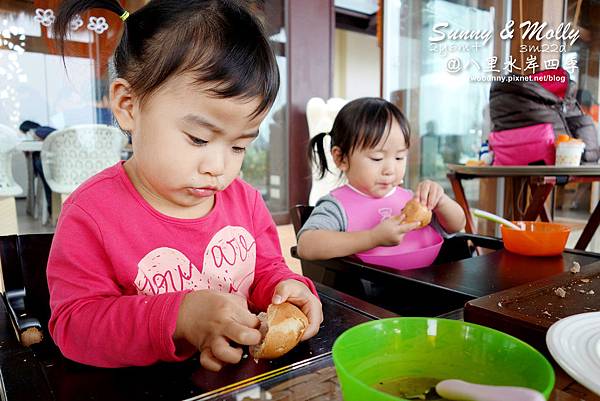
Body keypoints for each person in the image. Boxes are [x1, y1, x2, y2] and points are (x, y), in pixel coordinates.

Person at [47, 0, 322, 371]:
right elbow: (74, 326)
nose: (218, 168)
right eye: (197, 139)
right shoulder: (91, 214)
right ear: (129, 105)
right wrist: (178, 318)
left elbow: (267, 269)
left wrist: (288, 288)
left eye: (239, 146)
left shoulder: (246, 203)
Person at [296, 97, 466, 261]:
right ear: (341, 158)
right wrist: (373, 238)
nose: (390, 170)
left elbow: (456, 225)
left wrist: (441, 201)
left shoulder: (409, 198)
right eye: (377, 158)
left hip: (426, 283)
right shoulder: (336, 206)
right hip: (366, 287)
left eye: (399, 158)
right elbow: (306, 245)